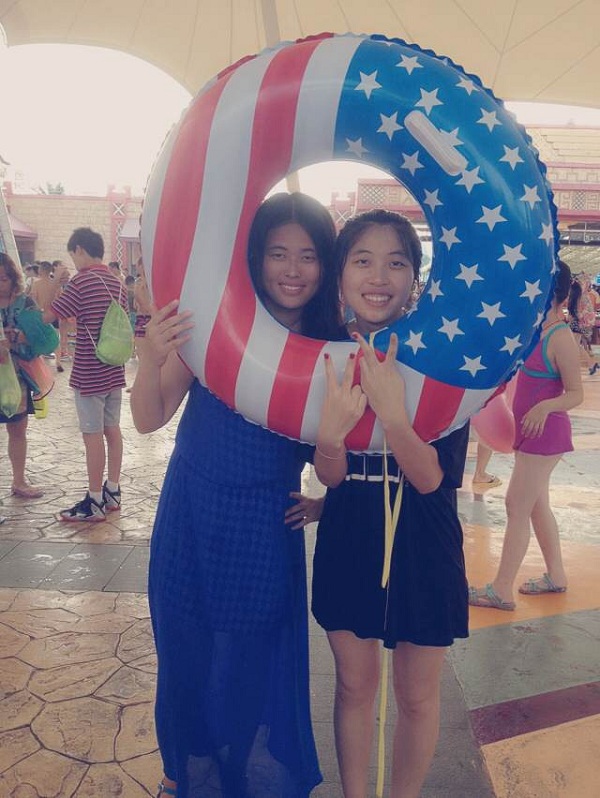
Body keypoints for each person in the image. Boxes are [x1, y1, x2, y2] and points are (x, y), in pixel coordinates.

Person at [130, 192, 344, 798]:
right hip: (190, 512)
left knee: (246, 662)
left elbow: (339, 464)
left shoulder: (330, 350)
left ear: (324, 264)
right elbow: (148, 417)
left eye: (307, 255)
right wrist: (151, 359)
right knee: (185, 652)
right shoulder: (222, 324)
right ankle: (184, 773)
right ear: (257, 258)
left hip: (263, 524)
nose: (292, 269)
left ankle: (237, 779)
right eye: (278, 253)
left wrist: (325, 498)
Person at [311, 210, 469, 798]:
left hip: (425, 534)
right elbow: (329, 475)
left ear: (414, 278)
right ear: (341, 274)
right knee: (354, 686)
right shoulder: (316, 355)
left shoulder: (448, 356)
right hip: (350, 525)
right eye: (363, 261)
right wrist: (330, 437)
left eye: (396, 263)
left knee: (418, 695)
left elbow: (431, 478)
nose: (378, 277)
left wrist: (395, 416)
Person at [469, 259, 583, 611]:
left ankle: (501, 589)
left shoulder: (560, 338)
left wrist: (544, 407)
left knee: (516, 505)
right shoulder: (535, 331)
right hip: (529, 432)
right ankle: (556, 575)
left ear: (554, 294)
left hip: (545, 434)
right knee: (535, 505)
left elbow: (575, 394)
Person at [42, 227, 127, 522]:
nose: (73, 262)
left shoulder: (81, 281)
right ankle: (113, 491)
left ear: (79, 249)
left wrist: (55, 281)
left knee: (92, 435)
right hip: (114, 369)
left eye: (72, 256)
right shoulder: (117, 282)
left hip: (90, 371)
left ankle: (94, 501)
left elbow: (47, 315)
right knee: (112, 430)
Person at [0, 251, 44, 498]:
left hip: (17, 376)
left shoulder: (25, 303)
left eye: (3, 279)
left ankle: (18, 480)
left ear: (13, 278)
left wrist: (16, 337)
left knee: (17, 429)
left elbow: (41, 337)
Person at [29, 260, 64, 372]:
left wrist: (38, 308)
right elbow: (61, 299)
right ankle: (58, 362)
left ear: (41, 270)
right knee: (55, 339)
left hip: (41, 315)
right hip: (54, 314)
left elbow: (33, 299)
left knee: (38, 338)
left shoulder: (36, 284)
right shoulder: (56, 284)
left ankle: (39, 364)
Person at [568, 277, 599, 375]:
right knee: (577, 346)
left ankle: (589, 364)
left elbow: (574, 314)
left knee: (575, 346)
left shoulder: (575, 299)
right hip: (578, 324)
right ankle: (591, 364)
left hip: (575, 325)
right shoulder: (579, 298)